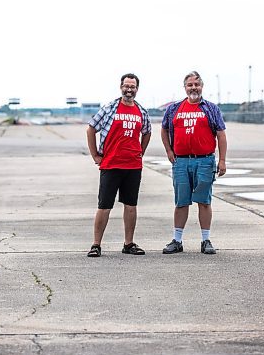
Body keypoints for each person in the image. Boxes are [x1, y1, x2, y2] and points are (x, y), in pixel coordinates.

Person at [161, 71, 227, 255]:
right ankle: (177, 240)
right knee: (181, 202)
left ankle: (206, 240)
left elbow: (221, 134)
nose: (193, 88)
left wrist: (221, 160)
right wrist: (169, 150)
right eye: (190, 85)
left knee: (204, 202)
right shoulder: (174, 109)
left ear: (202, 86)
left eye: (196, 85)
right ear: (185, 87)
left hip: (204, 161)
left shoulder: (210, 108)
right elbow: (164, 129)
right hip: (181, 162)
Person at [86, 73, 151, 257]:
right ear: (121, 87)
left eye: (132, 86)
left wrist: (140, 152)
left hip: (133, 166)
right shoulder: (109, 109)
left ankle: (128, 243)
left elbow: (147, 132)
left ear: (137, 89)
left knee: (131, 205)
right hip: (111, 165)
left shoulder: (142, 112)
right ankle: (96, 245)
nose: (129, 89)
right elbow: (91, 128)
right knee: (104, 205)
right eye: (126, 86)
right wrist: (95, 156)